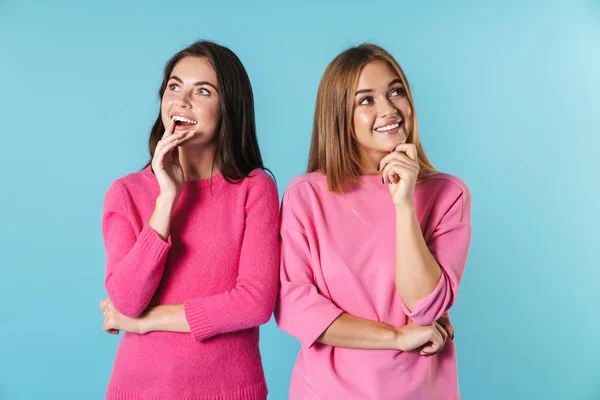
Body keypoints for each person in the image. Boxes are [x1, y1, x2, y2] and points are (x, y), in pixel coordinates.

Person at [275, 43, 472, 399]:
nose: (388, 108)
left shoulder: (448, 194)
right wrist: (395, 336)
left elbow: (426, 305)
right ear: (339, 116)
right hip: (325, 391)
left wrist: (404, 205)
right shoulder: (306, 196)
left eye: (396, 91)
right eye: (365, 100)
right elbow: (295, 306)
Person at [99, 40, 279, 400]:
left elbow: (255, 302)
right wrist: (166, 200)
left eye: (203, 91)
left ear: (229, 107)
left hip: (230, 390)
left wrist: (145, 322)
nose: (182, 101)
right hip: (139, 388)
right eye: (174, 87)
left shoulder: (254, 188)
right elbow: (126, 301)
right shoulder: (127, 192)